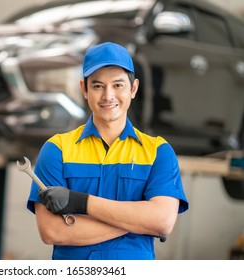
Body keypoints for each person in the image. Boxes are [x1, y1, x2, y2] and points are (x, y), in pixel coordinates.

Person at [26, 42, 189, 260]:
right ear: (84, 89)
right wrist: (138, 221)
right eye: (98, 86)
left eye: (118, 85)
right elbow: (52, 231)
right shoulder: (56, 150)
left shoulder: (158, 152)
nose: (108, 96)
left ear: (133, 89)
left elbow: (162, 221)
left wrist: (81, 202)